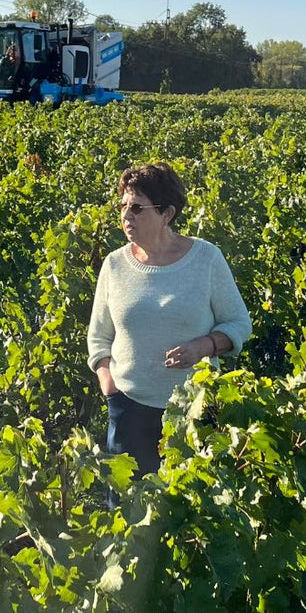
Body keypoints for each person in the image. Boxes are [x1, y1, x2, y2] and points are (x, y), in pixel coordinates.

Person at [86, 162, 251, 477]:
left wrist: (204, 346)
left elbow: (238, 323)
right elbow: (98, 337)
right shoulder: (114, 265)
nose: (126, 215)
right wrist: (109, 386)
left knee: (194, 499)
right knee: (131, 502)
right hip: (129, 410)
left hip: (195, 410)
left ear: (167, 214)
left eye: (137, 208)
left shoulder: (206, 259)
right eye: (123, 206)